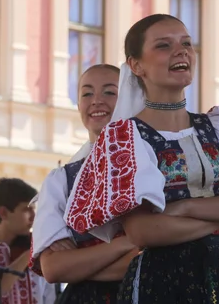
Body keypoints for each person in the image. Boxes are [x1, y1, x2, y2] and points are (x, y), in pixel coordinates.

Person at [62, 14, 219, 303]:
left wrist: (183, 207)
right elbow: (144, 232)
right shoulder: (123, 137)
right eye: (164, 45)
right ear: (136, 65)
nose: (181, 51)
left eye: (186, 43)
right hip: (160, 281)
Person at [29, 64, 139, 304]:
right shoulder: (61, 181)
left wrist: (81, 264)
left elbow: (158, 258)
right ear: (78, 104)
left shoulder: (154, 162)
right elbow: (54, 269)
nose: (96, 101)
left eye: (110, 92)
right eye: (87, 93)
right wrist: (127, 243)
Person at [0, 178, 55, 304]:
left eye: (34, 209)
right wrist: (29, 253)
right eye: (26, 209)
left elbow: (50, 297)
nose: (34, 216)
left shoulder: (39, 249)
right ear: (4, 213)